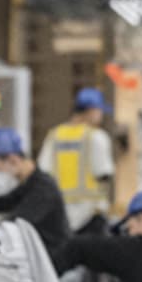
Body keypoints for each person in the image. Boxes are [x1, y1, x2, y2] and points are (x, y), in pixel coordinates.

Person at [0, 127, 69, 257]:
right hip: (38, 255)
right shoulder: (31, 182)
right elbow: (4, 202)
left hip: (53, 261)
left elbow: (16, 221)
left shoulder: (43, 188)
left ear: (13, 159)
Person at [38, 87, 116, 218]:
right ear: (92, 111)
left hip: (61, 211)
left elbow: (43, 172)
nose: (101, 116)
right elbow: (104, 173)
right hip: (90, 212)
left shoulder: (54, 136)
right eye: (100, 111)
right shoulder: (96, 136)